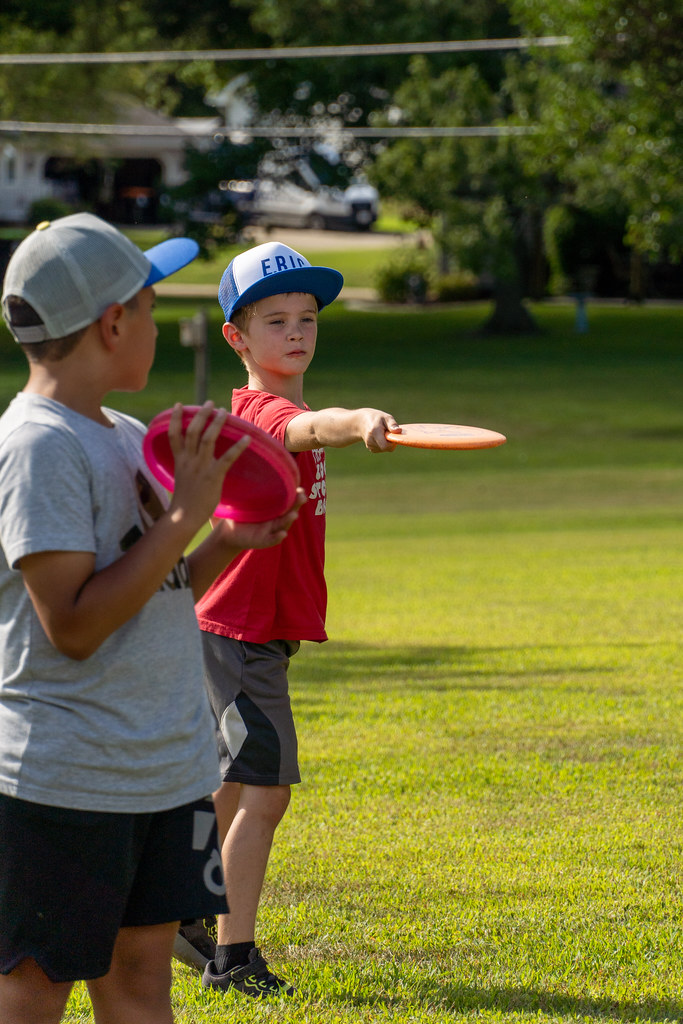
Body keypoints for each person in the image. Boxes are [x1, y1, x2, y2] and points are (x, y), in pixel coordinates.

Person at [0, 214, 303, 1024]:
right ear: (111, 323)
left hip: (157, 771)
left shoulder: (124, 436)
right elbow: (71, 624)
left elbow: (156, 585)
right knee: (34, 989)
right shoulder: (38, 447)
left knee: (140, 983)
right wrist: (183, 517)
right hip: (65, 780)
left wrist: (226, 538)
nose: (159, 323)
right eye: (151, 304)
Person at [195, 241, 399, 998]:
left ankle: (186, 902)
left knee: (226, 784)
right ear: (236, 338)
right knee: (265, 790)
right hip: (238, 633)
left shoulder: (294, 407)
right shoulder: (259, 414)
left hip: (250, 632)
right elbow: (301, 431)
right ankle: (232, 955)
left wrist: (334, 420)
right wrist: (353, 424)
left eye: (307, 317)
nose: (296, 331)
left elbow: (308, 423)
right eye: (274, 319)